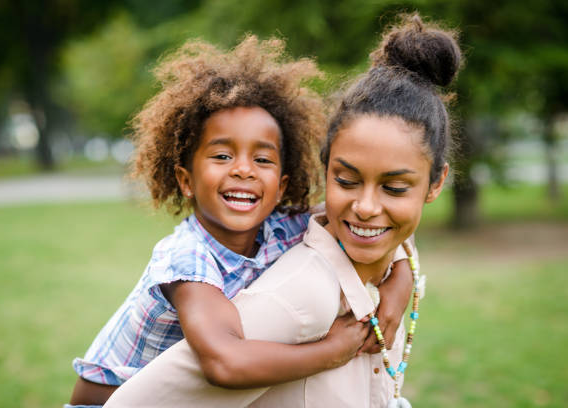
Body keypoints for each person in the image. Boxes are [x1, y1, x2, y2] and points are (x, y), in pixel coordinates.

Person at [104, 13, 461, 408]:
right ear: (185, 181)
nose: (242, 169)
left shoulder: (281, 226)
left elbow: (372, 223)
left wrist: (402, 277)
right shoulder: (187, 260)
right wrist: (330, 351)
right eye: (222, 155)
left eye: (263, 159)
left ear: (284, 188)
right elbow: (223, 363)